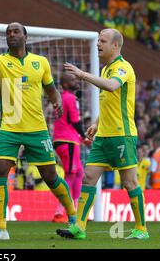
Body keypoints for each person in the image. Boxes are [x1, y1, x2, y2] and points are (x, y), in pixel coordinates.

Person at [0, 22, 76, 240]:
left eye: (16, 31)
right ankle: (1, 228)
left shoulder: (40, 62)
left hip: (37, 129)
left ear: (25, 36)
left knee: (50, 176)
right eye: (8, 32)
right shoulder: (0, 61)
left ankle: (74, 217)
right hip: (9, 128)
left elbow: (51, 89)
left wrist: (56, 102)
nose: (11, 35)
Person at [57, 28, 149, 240]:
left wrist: (81, 74)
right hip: (103, 136)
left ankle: (141, 228)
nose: (98, 44)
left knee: (129, 183)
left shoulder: (123, 68)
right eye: (98, 40)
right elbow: (110, 102)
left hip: (121, 135)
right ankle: (79, 227)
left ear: (115, 46)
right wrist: (97, 124)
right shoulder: (106, 69)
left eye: (103, 41)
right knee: (88, 178)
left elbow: (111, 87)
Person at [52, 73, 87, 223]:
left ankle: (77, 209)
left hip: (66, 139)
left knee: (79, 172)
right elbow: (75, 121)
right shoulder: (70, 98)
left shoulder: (62, 98)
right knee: (71, 174)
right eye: (73, 80)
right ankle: (60, 211)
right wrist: (85, 136)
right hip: (67, 140)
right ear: (65, 84)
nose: (76, 81)